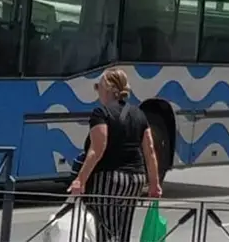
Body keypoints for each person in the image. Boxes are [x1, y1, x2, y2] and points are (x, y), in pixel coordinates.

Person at [68, 68, 163, 241]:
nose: (98, 93)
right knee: (123, 231)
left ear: (108, 89)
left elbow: (97, 149)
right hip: (136, 180)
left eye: (99, 87)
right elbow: (149, 151)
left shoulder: (101, 113)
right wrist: (154, 184)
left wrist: (79, 180)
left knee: (105, 231)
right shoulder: (139, 114)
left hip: (110, 179)